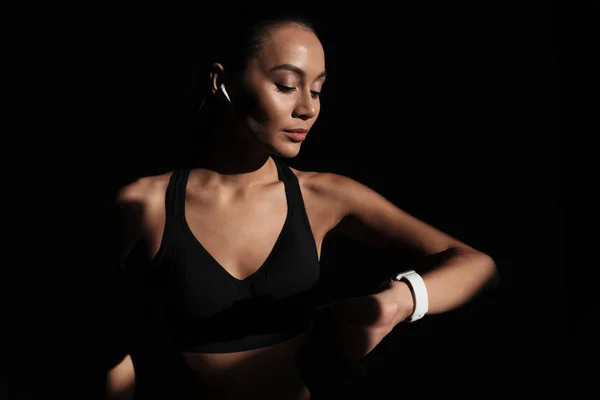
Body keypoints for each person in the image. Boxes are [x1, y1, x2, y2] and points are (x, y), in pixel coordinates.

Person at [106, 5, 499, 400]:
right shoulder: (145, 205)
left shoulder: (324, 197)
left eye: (317, 90)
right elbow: (110, 348)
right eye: (286, 86)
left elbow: (478, 264)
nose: (308, 109)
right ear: (220, 82)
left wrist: (395, 302)